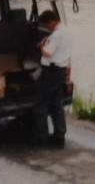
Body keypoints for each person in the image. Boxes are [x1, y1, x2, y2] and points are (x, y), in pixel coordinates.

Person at [32, 9, 72, 147]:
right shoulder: (66, 31)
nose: (47, 28)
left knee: (40, 104)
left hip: (50, 73)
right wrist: (47, 41)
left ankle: (41, 137)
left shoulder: (56, 35)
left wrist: (42, 46)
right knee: (57, 104)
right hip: (61, 71)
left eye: (47, 25)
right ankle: (59, 136)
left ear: (52, 21)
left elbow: (47, 53)